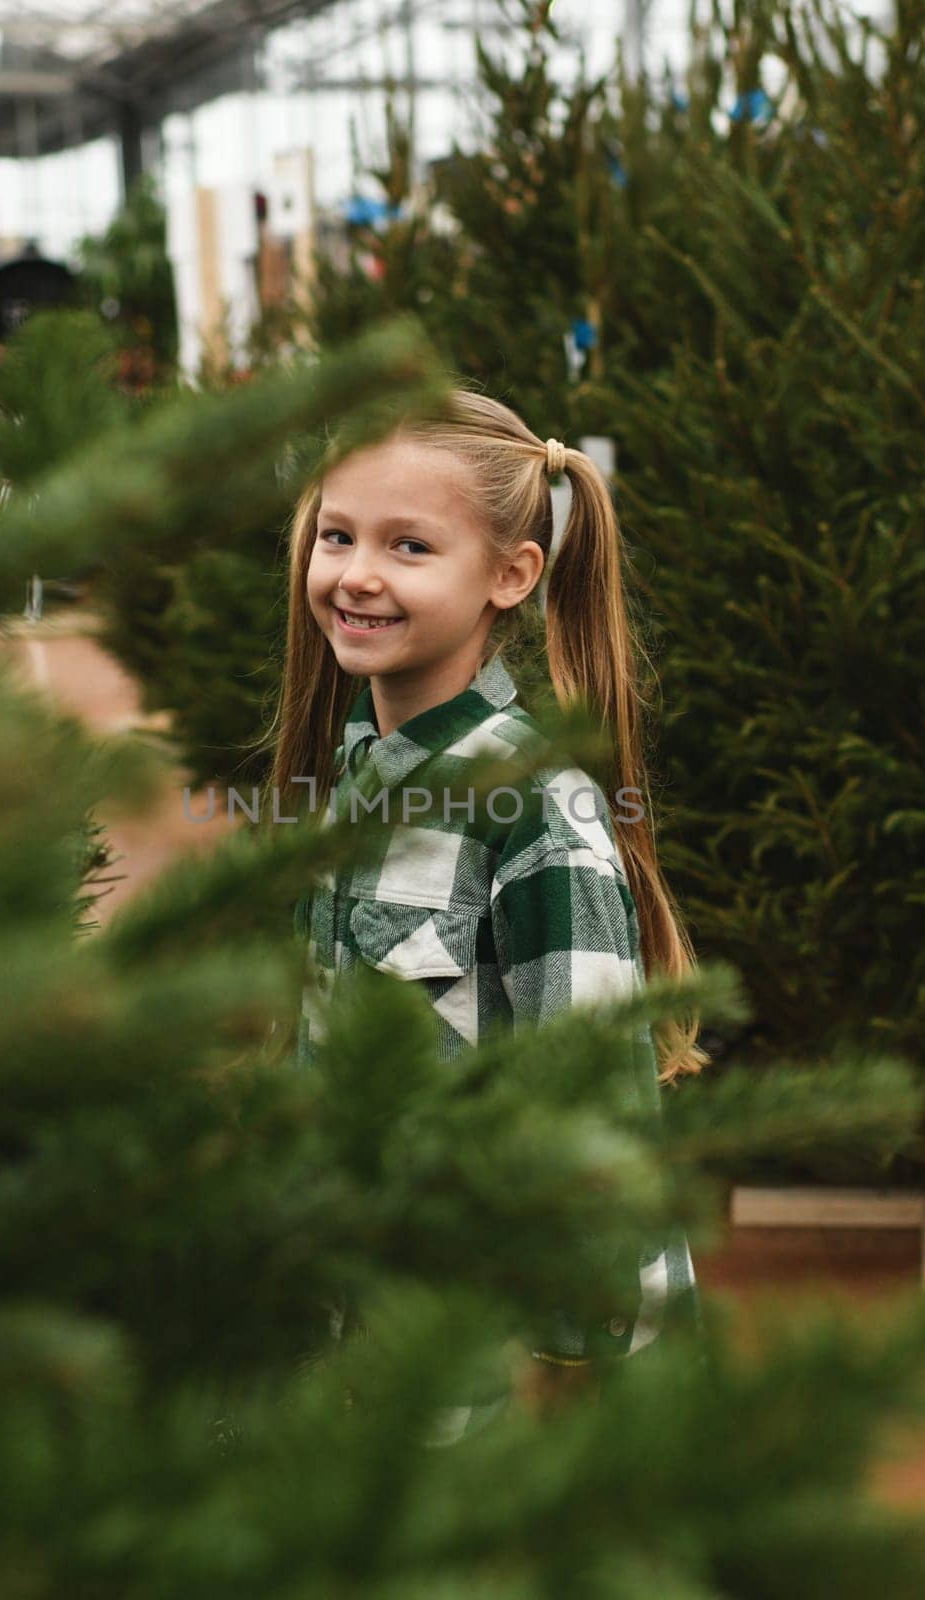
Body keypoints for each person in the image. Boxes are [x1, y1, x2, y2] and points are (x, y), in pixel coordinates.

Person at [261, 387, 707, 1441]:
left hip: (490, 1371)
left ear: (509, 576)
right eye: (336, 534)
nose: (355, 572)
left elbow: (591, 1122)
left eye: (408, 545)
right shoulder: (345, 780)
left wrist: (567, 1374)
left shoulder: (535, 816)